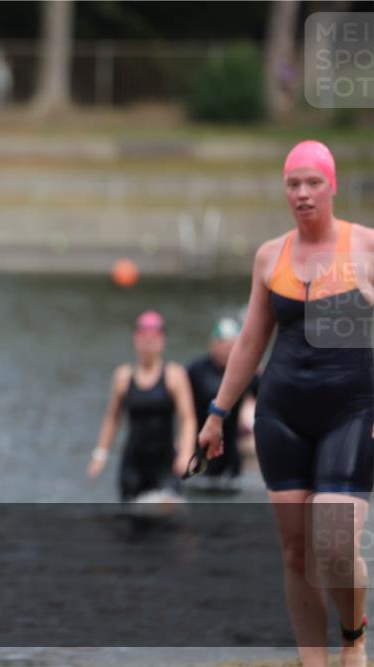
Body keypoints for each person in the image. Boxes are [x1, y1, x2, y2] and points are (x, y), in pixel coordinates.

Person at [197, 140, 374, 667]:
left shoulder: (365, 248)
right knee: (297, 551)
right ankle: (312, 661)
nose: (302, 194)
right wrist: (217, 414)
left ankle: (354, 635)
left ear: (332, 185)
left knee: (336, 543)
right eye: (293, 184)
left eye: (312, 182)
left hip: (353, 409)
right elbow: (251, 340)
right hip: (282, 413)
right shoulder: (270, 256)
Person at [88, 310, 197, 501]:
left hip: (165, 463)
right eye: (143, 338)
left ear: (162, 341)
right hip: (133, 465)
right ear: (135, 340)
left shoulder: (174, 375)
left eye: (153, 339)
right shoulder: (123, 377)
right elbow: (112, 418)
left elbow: (187, 418)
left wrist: (186, 452)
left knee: (167, 512)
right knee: (132, 520)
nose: (148, 344)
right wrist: (100, 454)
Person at [184, 316, 259, 491]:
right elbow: (179, 409)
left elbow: (269, 402)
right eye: (223, 343)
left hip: (231, 453)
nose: (226, 349)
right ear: (213, 345)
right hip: (200, 449)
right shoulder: (196, 370)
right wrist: (183, 447)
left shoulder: (247, 374)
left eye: (231, 344)